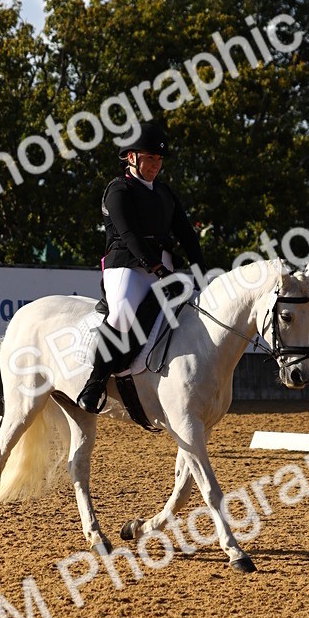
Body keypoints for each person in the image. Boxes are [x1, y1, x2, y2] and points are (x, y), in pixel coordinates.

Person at [76, 121, 204, 413]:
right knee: (121, 314)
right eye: (150, 158)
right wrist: (159, 271)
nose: (156, 165)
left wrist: (201, 271)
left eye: (159, 159)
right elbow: (130, 236)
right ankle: (95, 382)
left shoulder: (165, 193)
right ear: (132, 157)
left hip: (164, 265)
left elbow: (187, 234)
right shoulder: (118, 190)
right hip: (128, 267)